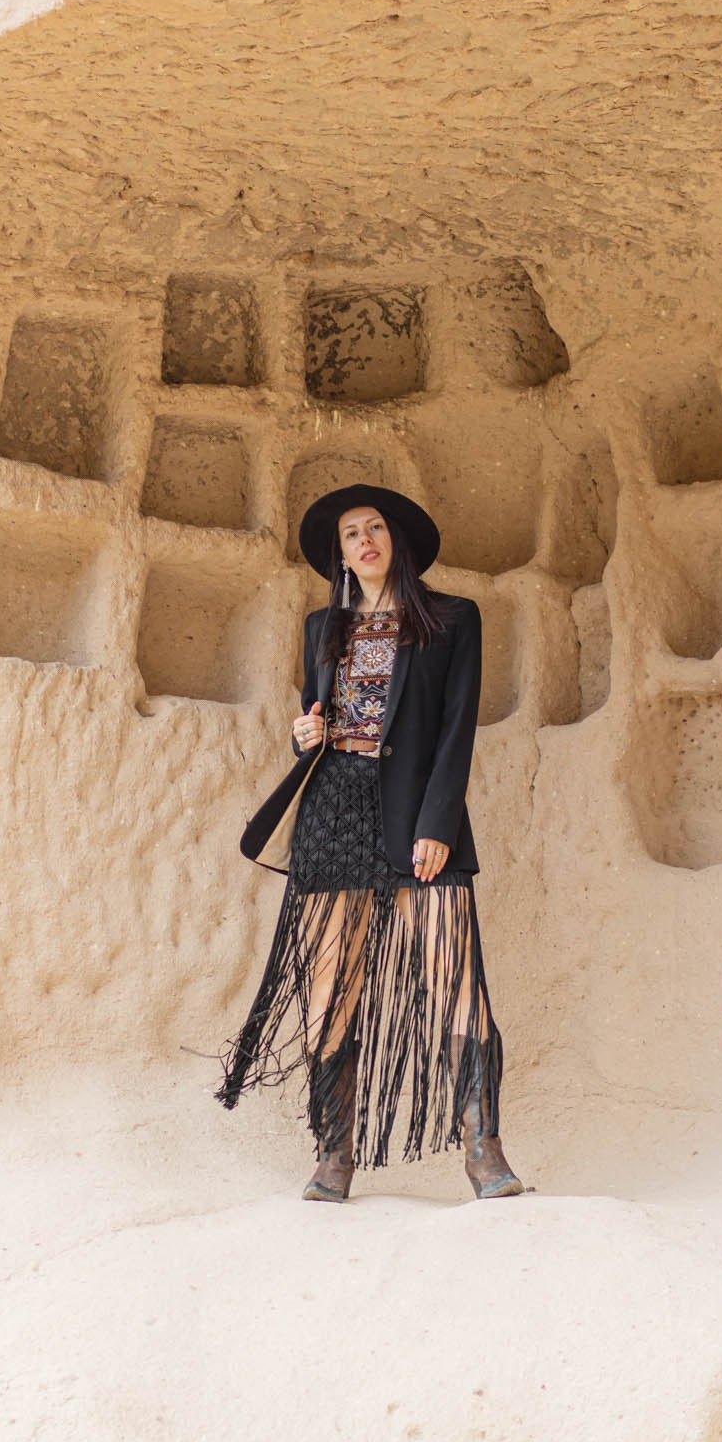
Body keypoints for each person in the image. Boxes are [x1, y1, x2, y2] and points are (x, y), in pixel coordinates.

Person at [218, 486, 525, 1203]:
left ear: (396, 540)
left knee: (454, 978)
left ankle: (484, 1154)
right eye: (351, 533)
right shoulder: (321, 625)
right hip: (332, 810)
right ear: (341, 554)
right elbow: (318, 714)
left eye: (376, 527)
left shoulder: (451, 618)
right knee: (331, 984)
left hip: (417, 813)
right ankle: (333, 1156)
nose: (364, 540)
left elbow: (456, 728)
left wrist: (437, 824)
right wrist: (306, 733)